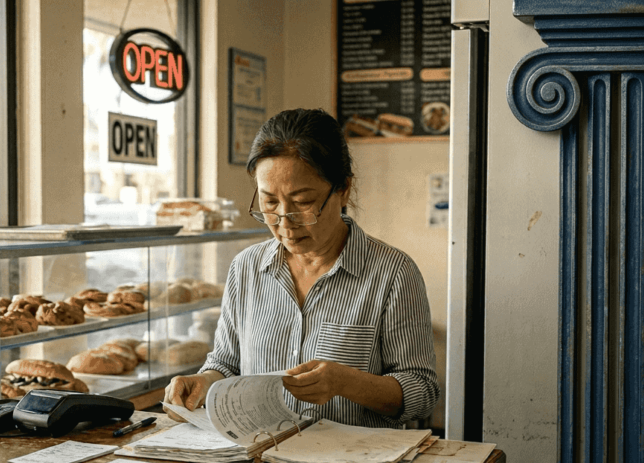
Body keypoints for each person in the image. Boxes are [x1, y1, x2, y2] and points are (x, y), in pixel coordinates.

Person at [163, 108, 438, 428]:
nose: (284, 222)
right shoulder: (246, 268)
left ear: (343, 189)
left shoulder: (392, 274)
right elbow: (226, 363)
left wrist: (347, 383)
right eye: (269, 203)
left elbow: (422, 392)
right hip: (261, 457)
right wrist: (204, 381)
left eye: (303, 202)